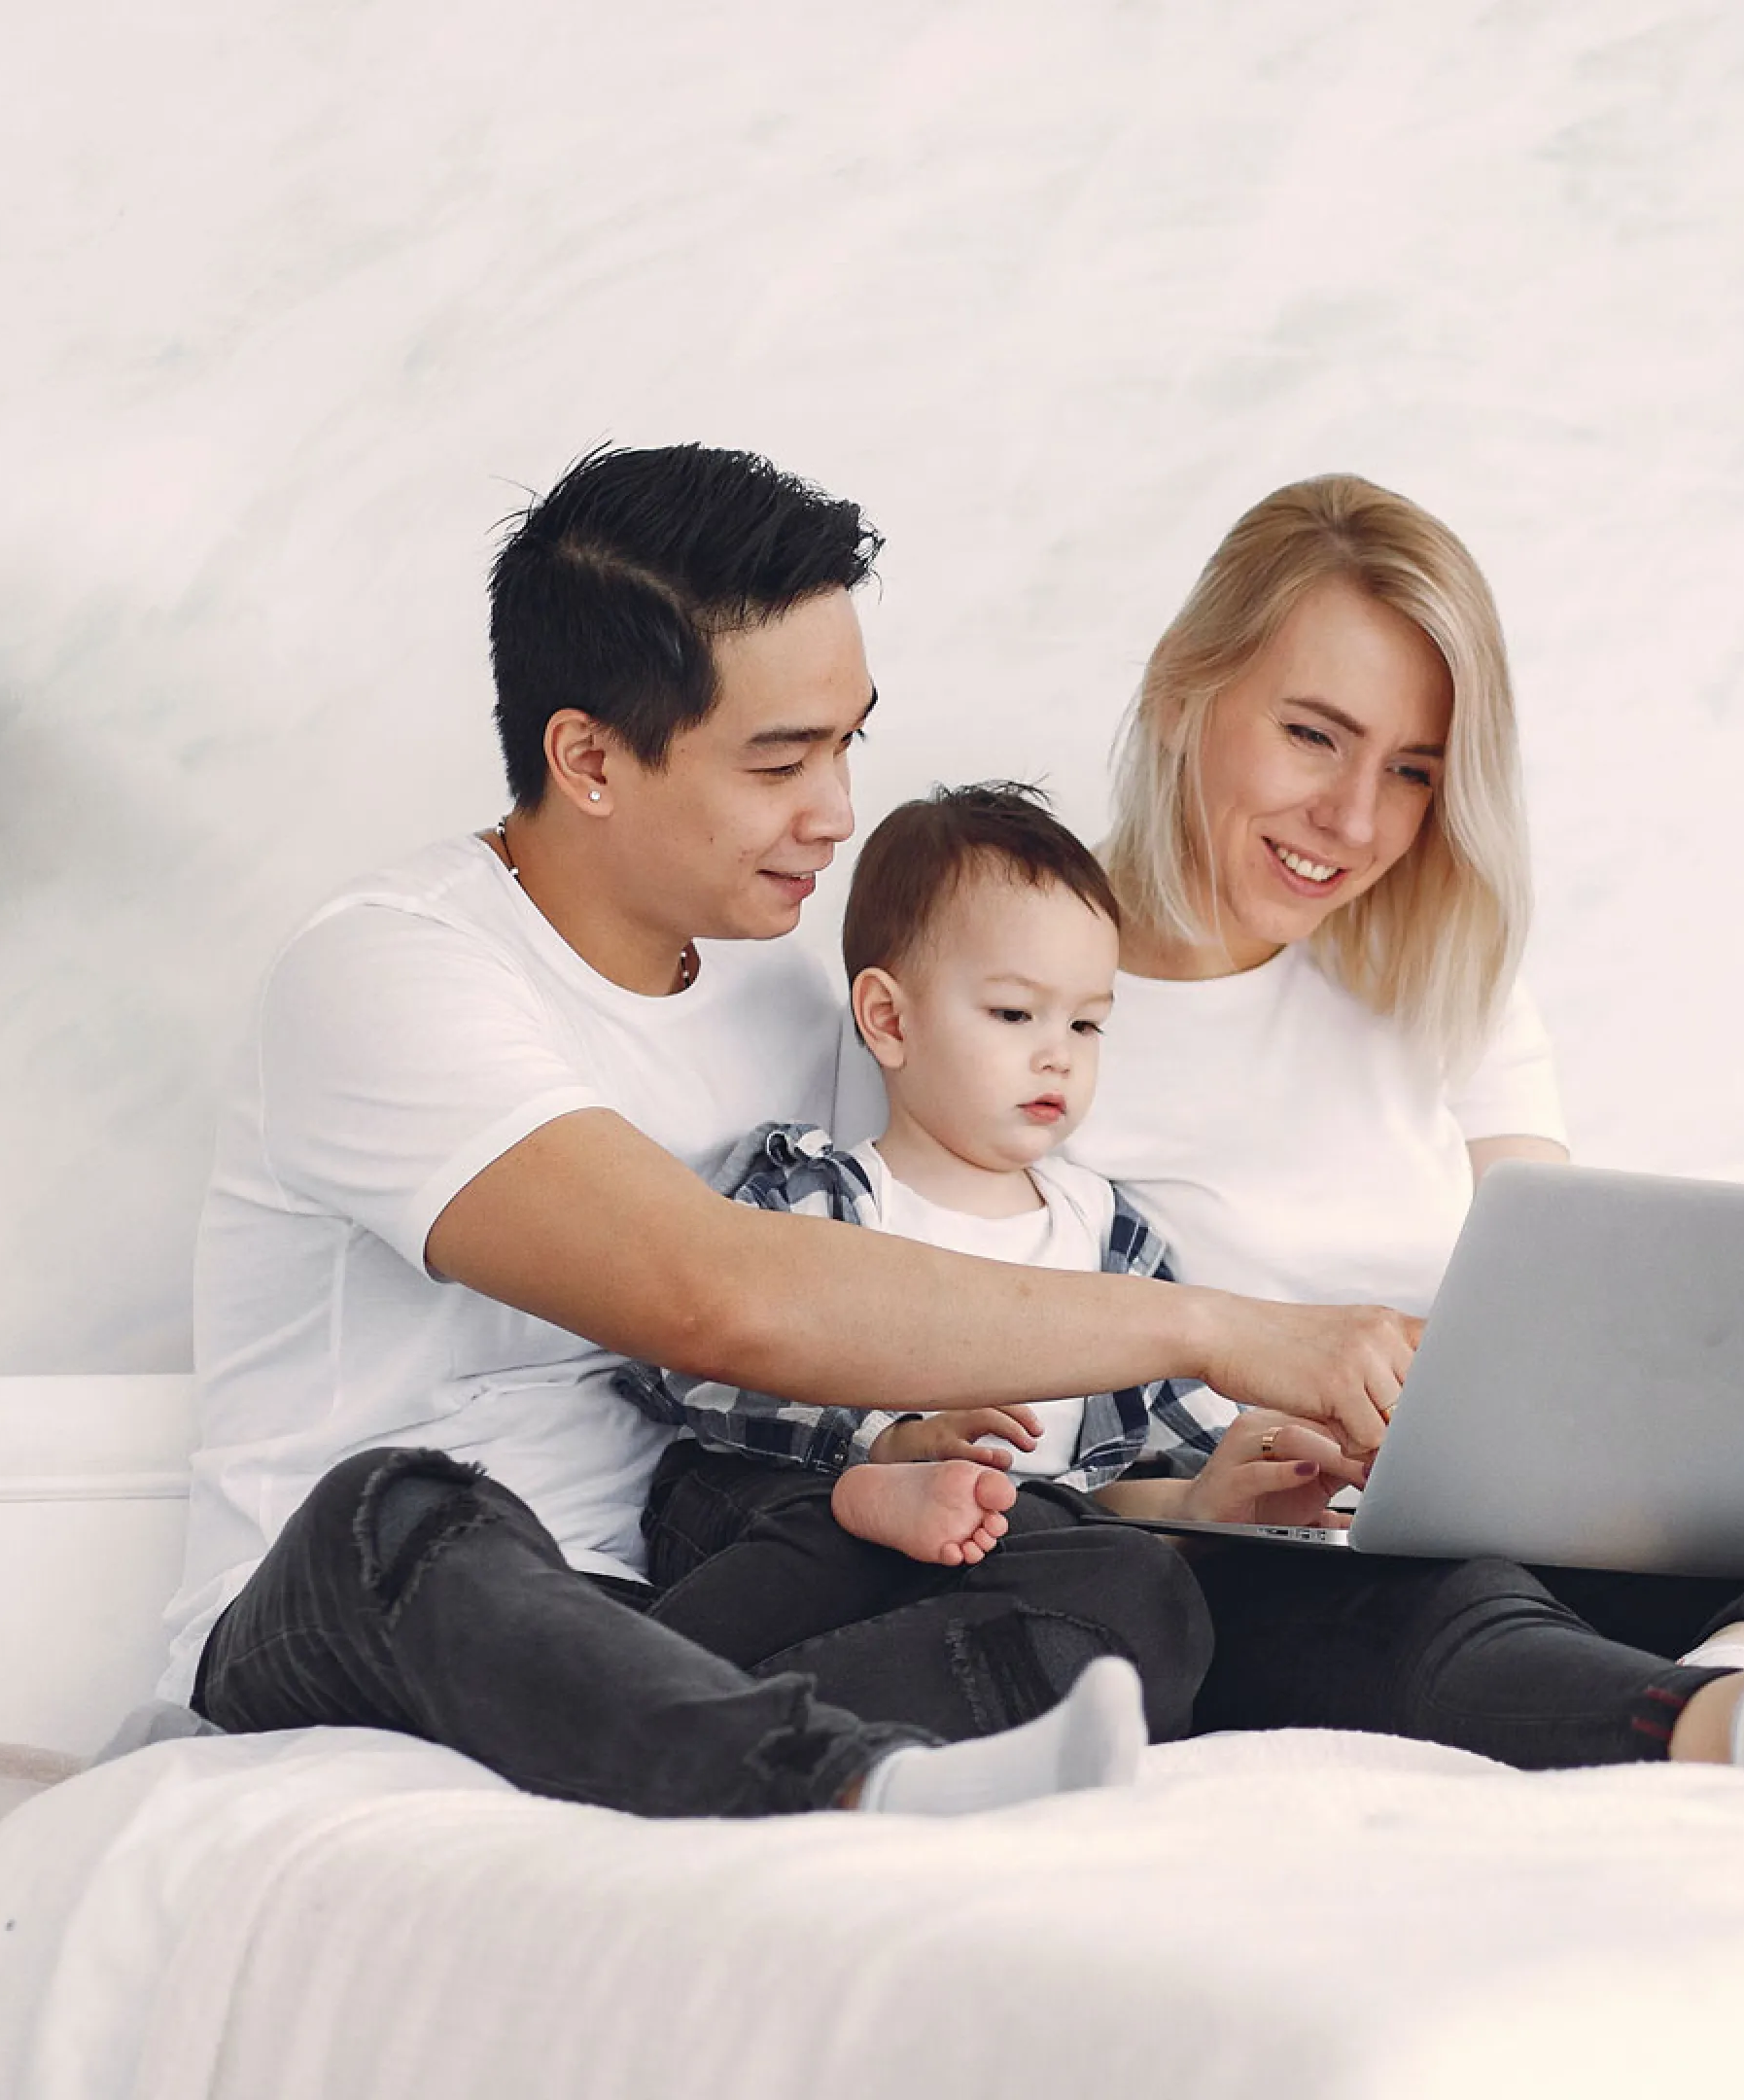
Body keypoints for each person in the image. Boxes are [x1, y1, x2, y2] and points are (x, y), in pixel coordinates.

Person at [701, 473, 1744, 1776]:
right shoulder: (997, 996)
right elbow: (910, 1344)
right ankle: (1700, 1724)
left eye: (1412, 769)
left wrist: (1575, 1430)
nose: (1353, 818)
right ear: (1187, 692)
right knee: (1435, 1599)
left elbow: (1565, 1305)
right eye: (1313, 736)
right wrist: (1216, 1469)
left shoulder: (1449, 984)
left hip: (1529, 1521)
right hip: (1268, 1551)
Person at [163, 444, 1420, 1819]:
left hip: (681, 1616)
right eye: (780, 761)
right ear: (588, 758)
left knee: (1119, 1585)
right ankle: (834, 1775)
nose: (837, 813)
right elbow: (722, 1299)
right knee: (410, 1508)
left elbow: (893, 1294)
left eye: (846, 743)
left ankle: (769, 1773)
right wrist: (1217, 1328)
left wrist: (998, 1462)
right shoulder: (386, 972)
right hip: (361, 1621)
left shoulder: (786, 1003)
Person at [618, 782, 1363, 1725]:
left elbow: (1134, 1476)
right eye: (1015, 1014)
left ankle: (851, 1712)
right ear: (890, 1020)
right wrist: (881, 1446)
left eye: (1085, 1023)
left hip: (974, 1564)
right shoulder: (822, 1195)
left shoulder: (1110, 1236)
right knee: (788, 1508)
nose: (1058, 1054)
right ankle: (760, 1592)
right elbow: (689, 1366)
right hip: (778, 1527)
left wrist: (1211, 1493)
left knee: (1101, 1561)